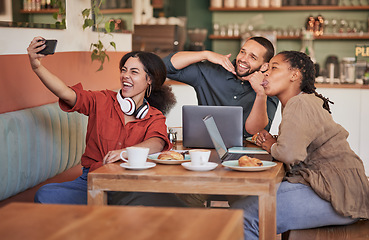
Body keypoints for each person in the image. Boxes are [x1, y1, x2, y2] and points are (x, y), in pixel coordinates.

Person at [28, 36, 186, 206]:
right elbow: (66, 93)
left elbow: (156, 142)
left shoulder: (154, 116)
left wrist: (125, 152)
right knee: (46, 194)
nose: (125, 76)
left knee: (170, 205)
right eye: (124, 70)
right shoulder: (102, 100)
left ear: (150, 80)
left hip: (131, 185)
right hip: (93, 181)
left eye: (134, 72)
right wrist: (37, 67)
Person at [231, 51, 369, 239]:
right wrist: (274, 142)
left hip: (337, 194)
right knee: (245, 205)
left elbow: (289, 154)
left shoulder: (299, 103)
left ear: (294, 75)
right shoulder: (301, 101)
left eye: (274, 67)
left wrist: (272, 145)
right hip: (342, 189)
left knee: (241, 215)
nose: (266, 73)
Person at [163, 36, 279, 138]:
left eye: (252, 57)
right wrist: (206, 54)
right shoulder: (211, 71)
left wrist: (260, 93)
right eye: (243, 52)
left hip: (249, 152)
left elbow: (256, 131)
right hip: (207, 146)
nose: (243, 59)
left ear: (264, 66)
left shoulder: (270, 87)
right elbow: (165, 67)